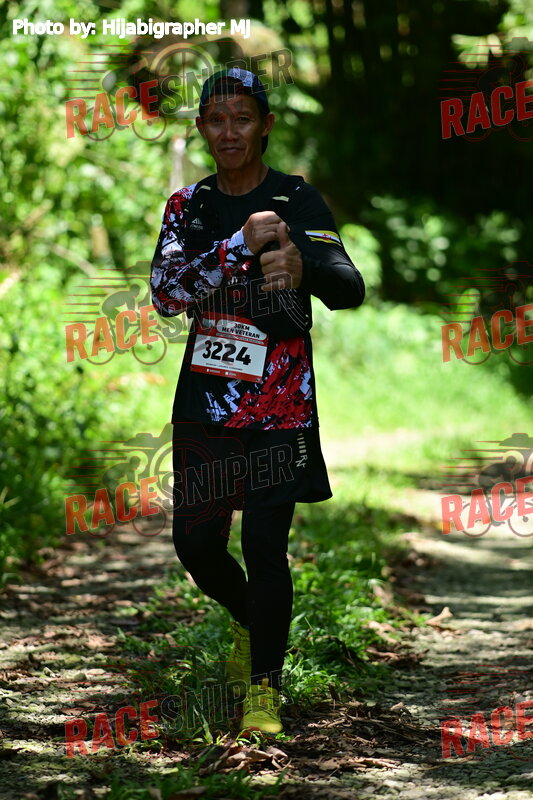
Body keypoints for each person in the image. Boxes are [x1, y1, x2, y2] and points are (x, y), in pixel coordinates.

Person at [150, 67, 365, 735]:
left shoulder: (296, 199)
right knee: (195, 544)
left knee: (266, 546)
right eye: (216, 119)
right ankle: (253, 621)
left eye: (241, 118)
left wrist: (302, 263)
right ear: (201, 128)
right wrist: (238, 245)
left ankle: (263, 693)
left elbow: (348, 286)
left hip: (281, 404)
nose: (229, 131)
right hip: (207, 402)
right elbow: (167, 294)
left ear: (265, 125)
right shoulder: (187, 207)